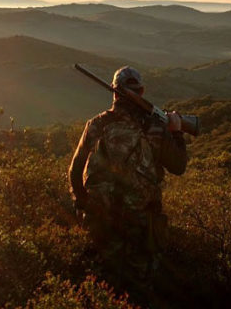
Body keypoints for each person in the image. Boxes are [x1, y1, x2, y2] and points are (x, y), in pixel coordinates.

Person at [68, 66, 188, 299]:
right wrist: (176, 131)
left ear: (114, 92)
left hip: (102, 224)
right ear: (141, 91)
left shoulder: (96, 124)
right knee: (138, 293)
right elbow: (179, 167)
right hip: (142, 227)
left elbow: (74, 171)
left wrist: (86, 206)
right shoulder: (156, 127)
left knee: (102, 289)